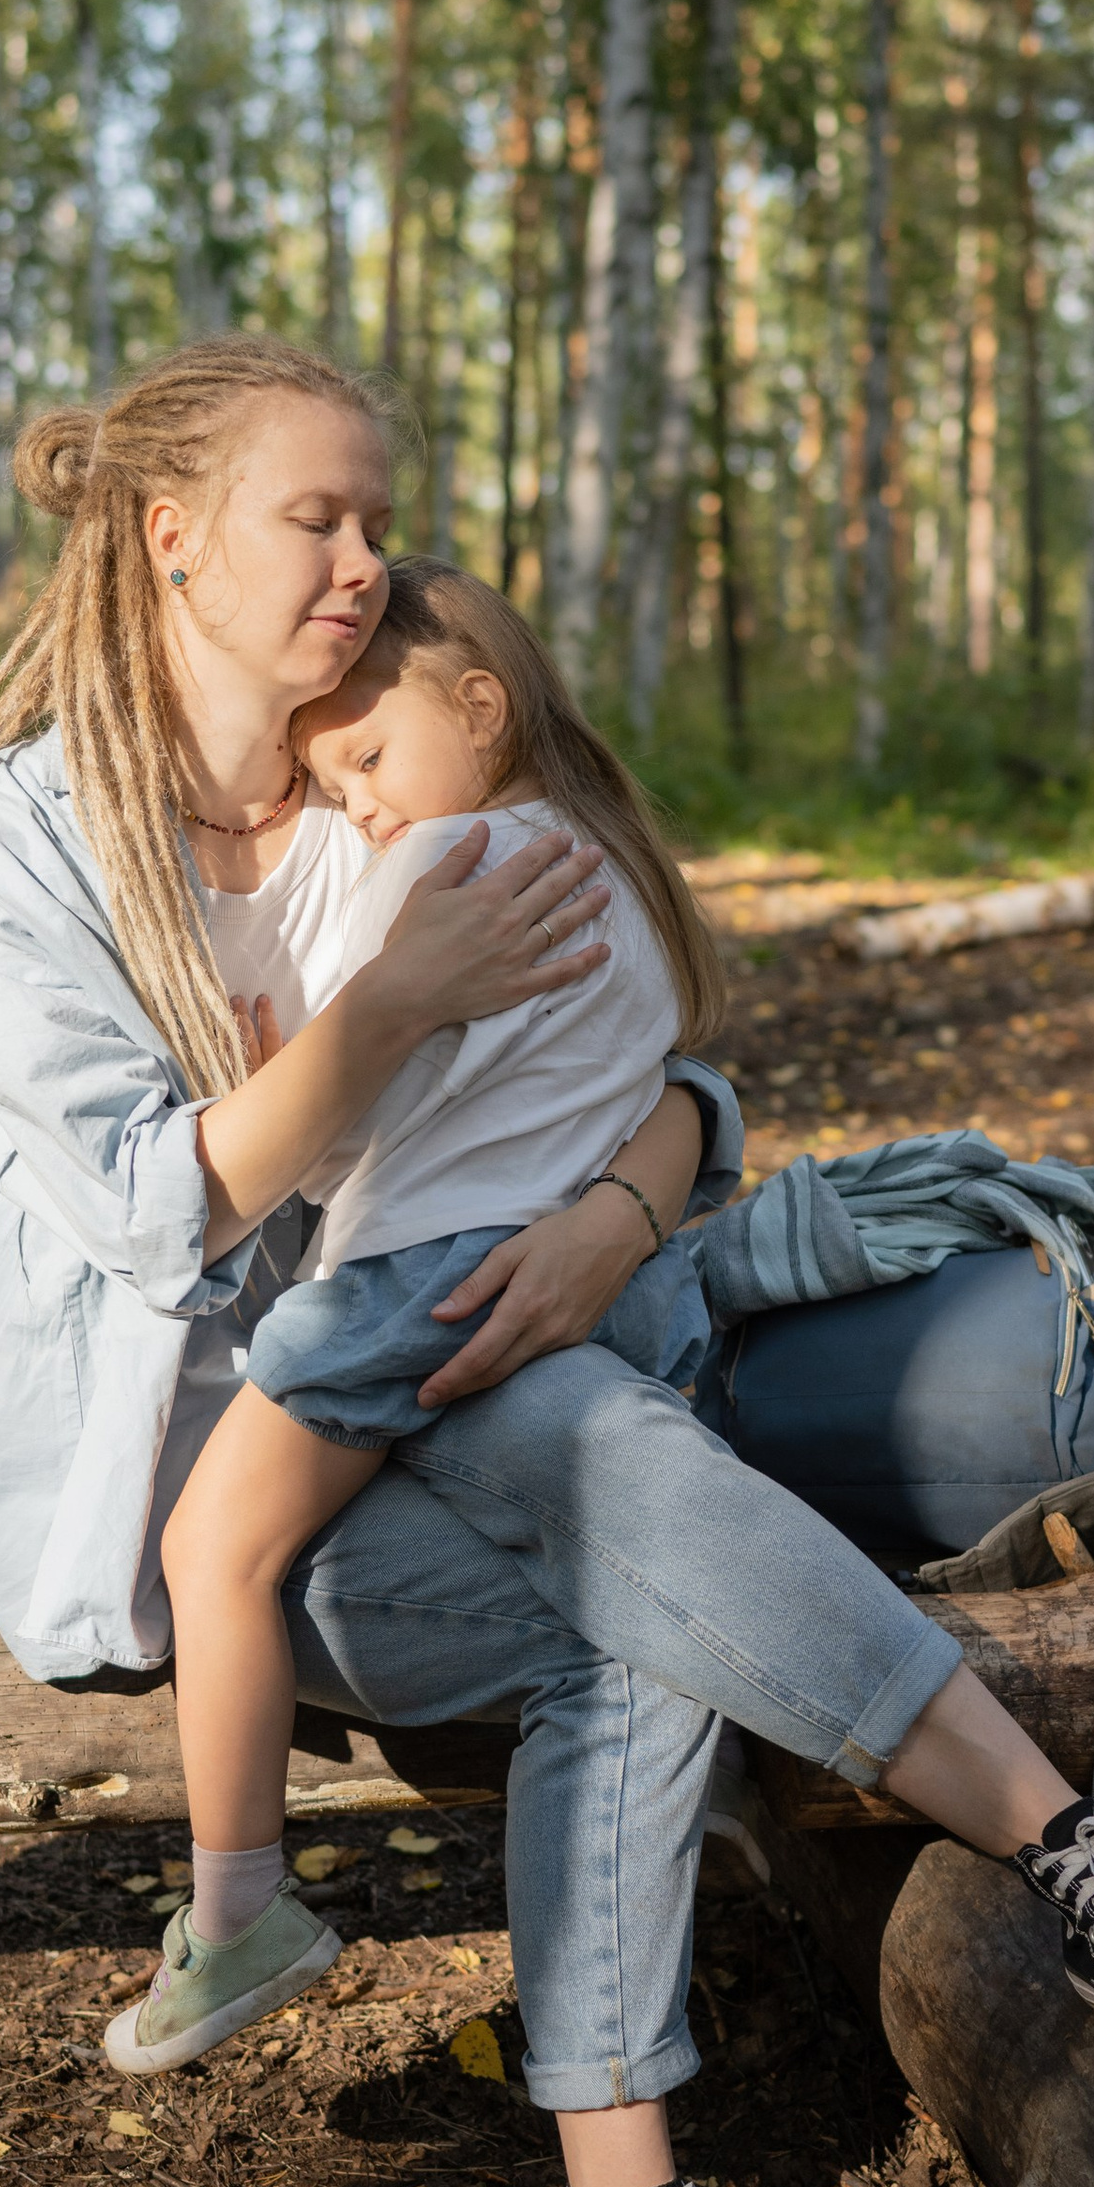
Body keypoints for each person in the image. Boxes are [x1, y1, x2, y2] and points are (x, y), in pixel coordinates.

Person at [0, 339, 1094, 2187]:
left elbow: (637, 1060)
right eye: (310, 521)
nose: (364, 561)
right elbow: (164, 1206)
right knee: (606, 1538)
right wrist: (399, 1014)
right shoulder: (35, 839)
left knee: (586, 1454)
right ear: (169, 535)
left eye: (373, 515)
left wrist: (621, 1199)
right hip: (170, 1474)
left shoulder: (384, 781)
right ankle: (976, 1932)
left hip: (444, 1382)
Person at [106, 556, 730, 2080]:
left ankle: (237, 1909)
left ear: (480, 703)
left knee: (211, 1550)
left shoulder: (444, 868)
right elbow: (642, 1084)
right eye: (332, 781)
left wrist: (278, 1063)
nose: (364, 806)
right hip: (572, 1282)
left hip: (404, 1286)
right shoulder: (615, 857)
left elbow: (334, 1146)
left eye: (370, 760)